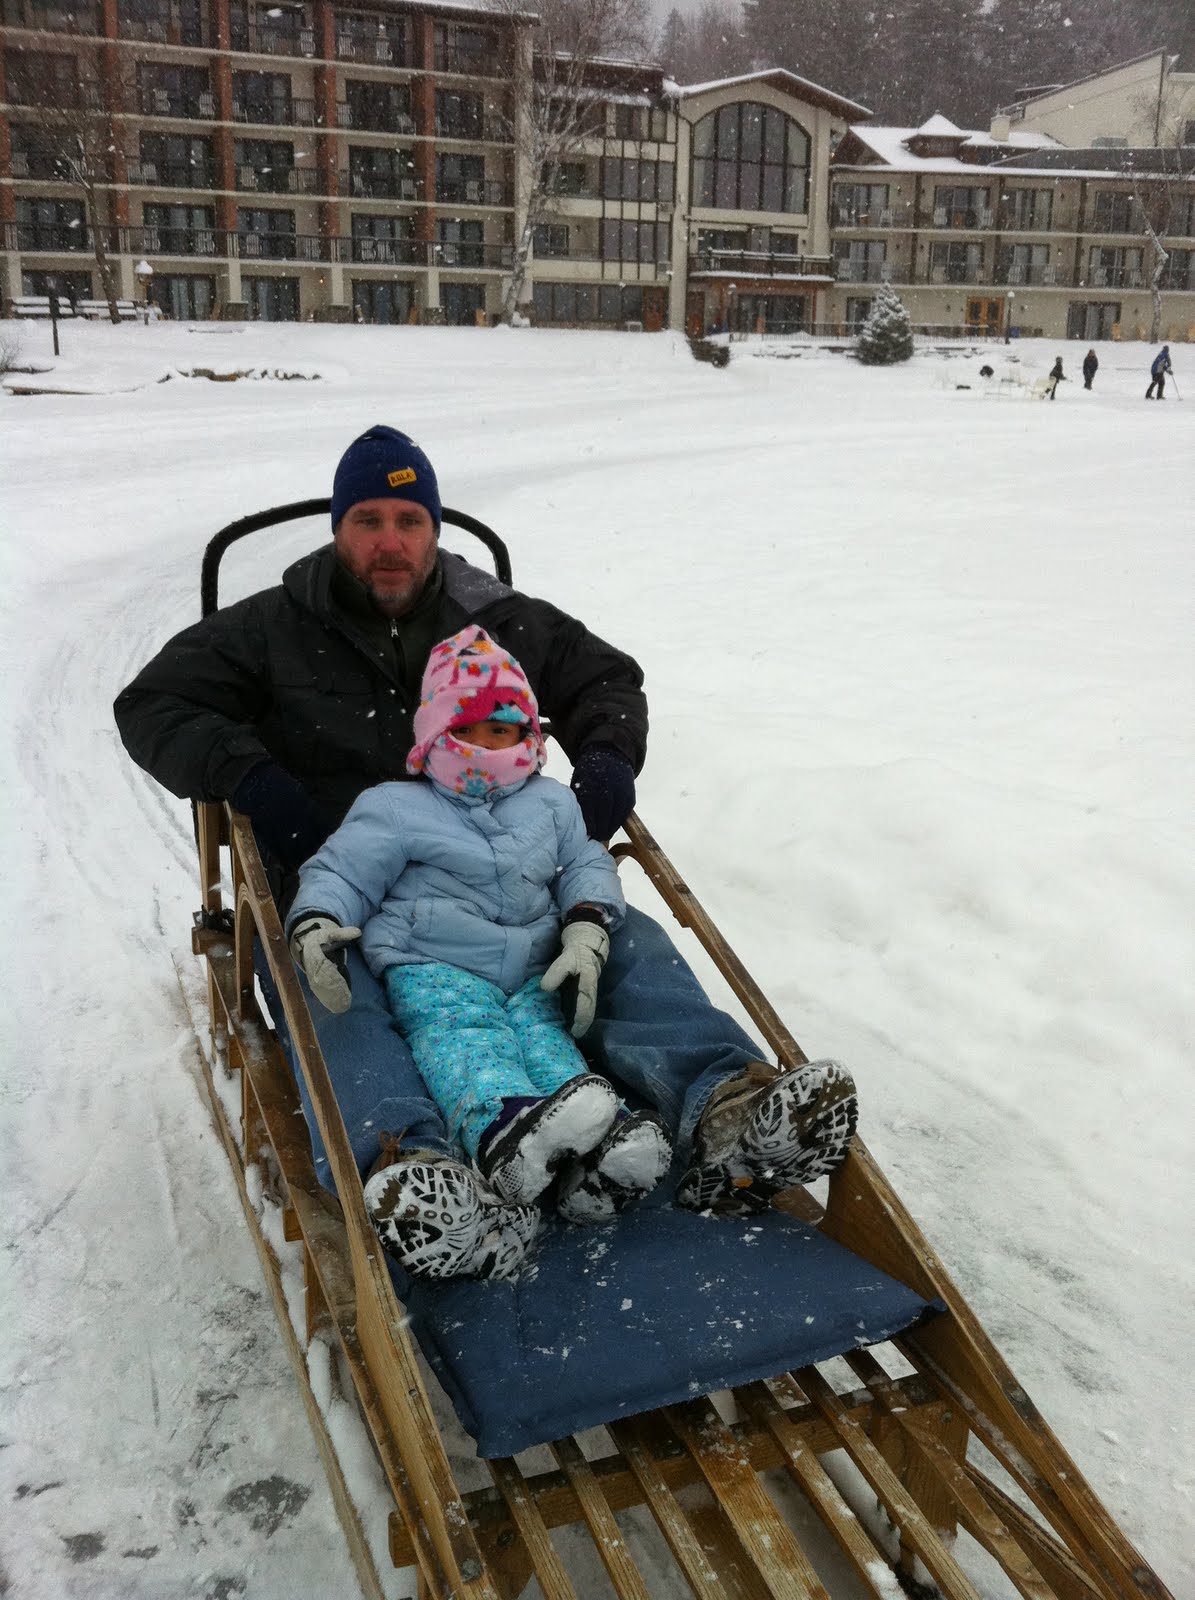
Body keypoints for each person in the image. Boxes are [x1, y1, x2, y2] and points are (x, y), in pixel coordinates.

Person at [115, 424, 858, 1277]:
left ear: (435, 530)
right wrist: (259, 785)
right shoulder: (272, 629)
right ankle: (413, 1171)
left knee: (629, 942)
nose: (388, 541)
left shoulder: (493, 617)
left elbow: (605, 678)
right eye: (366, 519)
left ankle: (728, 1109)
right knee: (338, 1003)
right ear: (336, 528)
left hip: (515, 880)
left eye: (409, 519)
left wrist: (608, 759)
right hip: (355, 891)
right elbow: (153, 705)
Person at [287, 625, 673, 1278]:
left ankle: (597, 1163)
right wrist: (318, 919)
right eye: (472, 731)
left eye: (505, 731)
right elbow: (345, 869)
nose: (490, 745)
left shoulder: (549, 803)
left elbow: (584, 861)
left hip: (529, 968)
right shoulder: (395, 806)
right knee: (467, 1045)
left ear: (528, 736)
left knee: (551, 1050)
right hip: (431, 965)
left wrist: (585, 926)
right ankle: (503, 1133)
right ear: (437, 736)